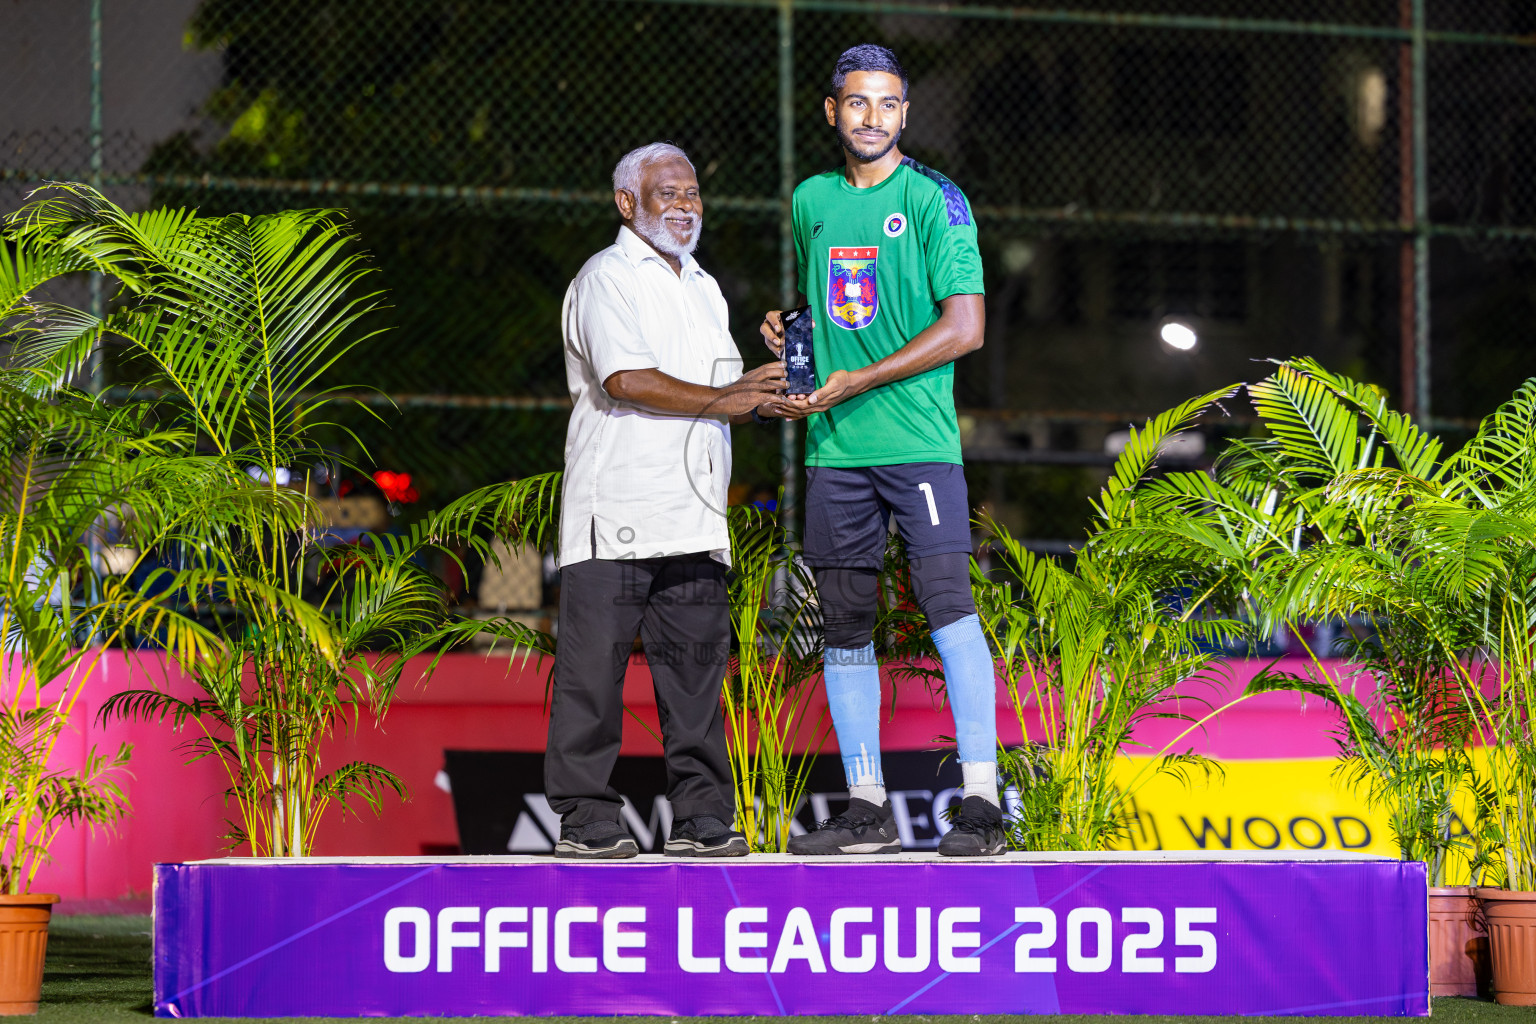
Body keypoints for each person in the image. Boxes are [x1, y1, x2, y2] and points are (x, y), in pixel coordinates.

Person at [761, 45, 1004, 857]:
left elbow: (964, 328)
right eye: (857, 104)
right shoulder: (811, 200)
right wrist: (793, 333)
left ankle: (982, 801)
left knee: (949, 607)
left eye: (889, 105)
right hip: (835, 451)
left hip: (919, 443)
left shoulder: (937, 199)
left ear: (905, 113)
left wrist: (858, 376)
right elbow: (837, 308)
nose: (873, 118)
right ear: (832, 112)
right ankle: (864, 806)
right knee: (844, 625)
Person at [548, 142, 789, 858]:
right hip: (616, 511)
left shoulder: (704, 286)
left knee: (695, 680)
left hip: (694, 515)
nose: (685, 206)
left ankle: (702, 819)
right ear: (628, 203)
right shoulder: (606, 277)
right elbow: (626, 380)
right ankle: (587, 820)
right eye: (668, 193)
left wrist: (768, 389)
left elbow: (722, 395)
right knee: (593, 677)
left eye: (692, 194)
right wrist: (730, 397)